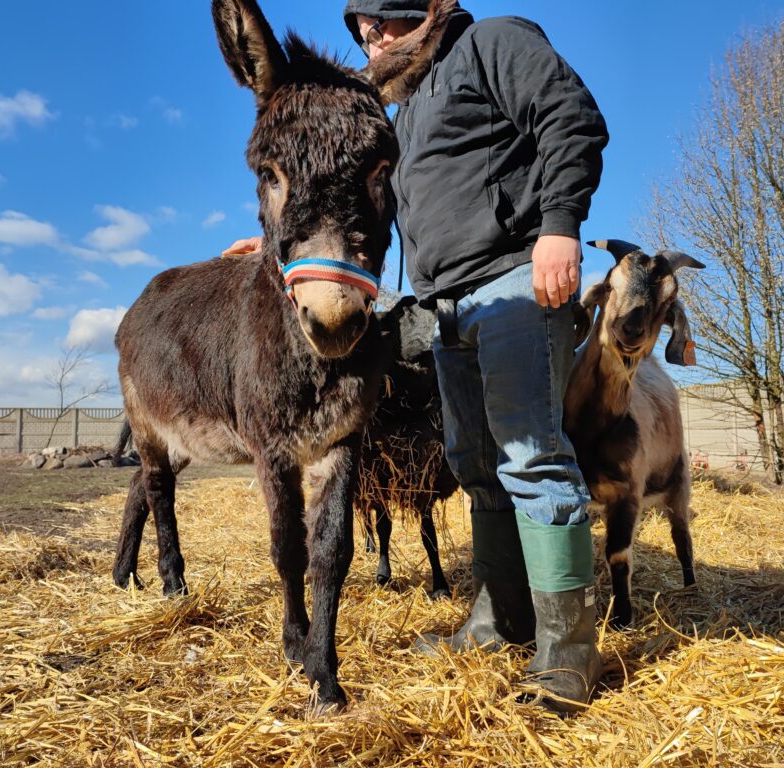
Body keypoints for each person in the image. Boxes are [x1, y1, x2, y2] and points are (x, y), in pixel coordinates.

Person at [228, 0, 609, 714]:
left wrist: (559, 227)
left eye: (378, 20)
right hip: (445, 303)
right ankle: (502, 620)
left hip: (513, 280)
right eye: (359, 30)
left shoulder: (493, 42)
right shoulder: (403, 113)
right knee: (475, 464)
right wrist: (284, 239)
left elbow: (571, 117)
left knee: (532, 457)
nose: (368, 38)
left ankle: (569, 651)